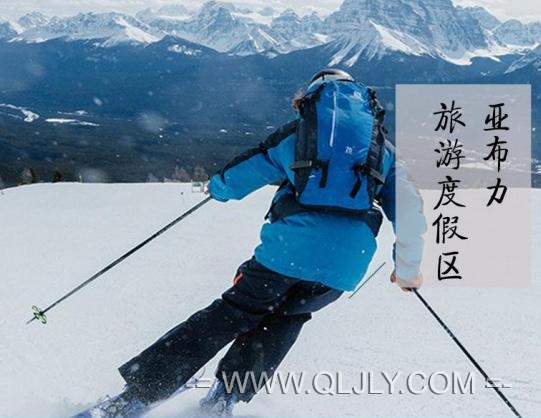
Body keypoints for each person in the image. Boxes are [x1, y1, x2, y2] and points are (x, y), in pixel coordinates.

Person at [74, 69, 426, 418]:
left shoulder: (302, 133)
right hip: (344, 267)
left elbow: (251, 167)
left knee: (232, 313)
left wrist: (219, 188)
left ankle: (137, 396)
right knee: (287, 318)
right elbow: (409, 212)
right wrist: (407, 270)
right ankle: (225, 398)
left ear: (311, 100)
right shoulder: (382, 150)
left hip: (286, 254)